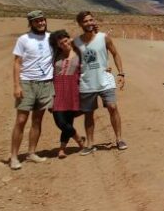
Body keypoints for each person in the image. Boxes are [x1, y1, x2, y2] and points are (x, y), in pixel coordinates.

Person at [74, 11, 127, 153]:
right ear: (80, 24)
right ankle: (90, 144)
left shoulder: (104, 38)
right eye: (85, 21)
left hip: (105, 79)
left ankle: (119, 139)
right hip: (87, 82)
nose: (89, 23)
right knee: (88, 113)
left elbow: (115, 54)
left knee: (112, 107)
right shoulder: (76, 42)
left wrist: (120, 72)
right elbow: (74, 61)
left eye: (91, 20)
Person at [9, 10, 53, 170]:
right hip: (27, 83)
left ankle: (31, 152)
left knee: (37, 120)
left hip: (46, 83)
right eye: (37, 21)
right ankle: (13, 156)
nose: (41, 23)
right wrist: (16, 85)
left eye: (42, 20)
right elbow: (17, 63)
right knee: (21, 120)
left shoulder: (51, 37)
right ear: (31, 23)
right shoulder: (23, 39)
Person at [48, 29, 84, 158]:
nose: (64, 44)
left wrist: (72, 39)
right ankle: (79, 139)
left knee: (68, 121)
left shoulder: (79, 52)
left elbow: (82, 43)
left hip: (73, 91)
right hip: (57, 91)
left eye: (66, 40)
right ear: (57, 45)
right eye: (61, 43)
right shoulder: (56, 54)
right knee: (60, 122)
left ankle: (62, 149)